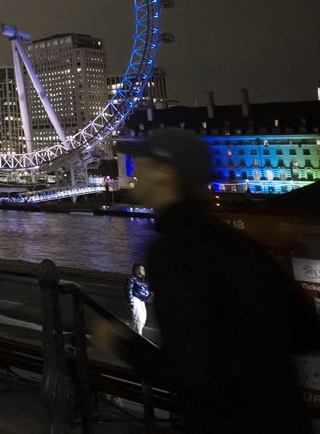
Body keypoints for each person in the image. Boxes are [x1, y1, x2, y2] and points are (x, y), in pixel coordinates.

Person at [93, 128, 320, 434]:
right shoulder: (238, 242)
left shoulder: (173, 251)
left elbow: (190, 373)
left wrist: (121, 344)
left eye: (141, 161)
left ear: (165, 174)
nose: (133, 166)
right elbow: (304, 329)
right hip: (285, 417)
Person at [126, 263, 151, 336]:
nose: (143, 270)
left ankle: (127, 332)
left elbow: (147, 291)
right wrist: (131, 301)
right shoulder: (132, 278)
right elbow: (129, 289)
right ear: (137, 270)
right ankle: (139, 335)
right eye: (141, 269)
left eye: (143, 269)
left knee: (143, 318)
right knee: (139, 319)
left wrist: (148, 295)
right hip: (135, 298)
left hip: (142, 301)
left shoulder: (144, 280)